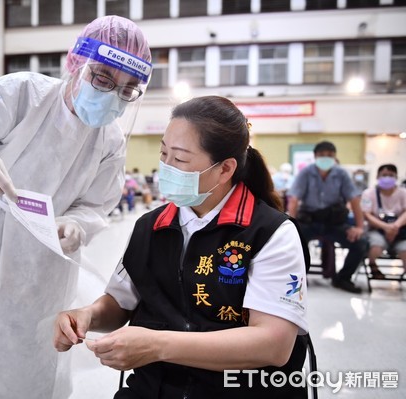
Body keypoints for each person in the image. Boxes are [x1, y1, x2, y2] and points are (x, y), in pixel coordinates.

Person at [0, 16, 152, 399]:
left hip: (43, 271)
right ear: (76, 63)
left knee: (33, 365)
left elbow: (97, 204)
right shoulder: (20, 93)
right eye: (103, 79)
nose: (112, 96)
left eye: (127, 89)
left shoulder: (111, 139)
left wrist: (77, 224)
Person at [54, 96, 309, 398]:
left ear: (225, 169)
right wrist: (87, 315)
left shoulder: (270, 233)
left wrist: (157, 345)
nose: (166, 167)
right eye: (163, 153)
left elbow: (274, 345)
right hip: (157, 388)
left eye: (180, 159)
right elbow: (121, 301)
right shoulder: (152, 226)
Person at [287, 141, 367, 293]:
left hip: (333, 222)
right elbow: (294, 199)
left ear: (335, 157)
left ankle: (343, 278)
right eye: (322, 155)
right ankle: (298, 277)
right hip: (309, 220)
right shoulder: (306, 173)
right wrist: (293, 225)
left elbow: (354, 200)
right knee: (292, 243)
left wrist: (359, 227)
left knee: (361, 243)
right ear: (315, 156)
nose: (325, 158)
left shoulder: (341, 174)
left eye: (329, 155)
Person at [360, 164, 406, 278]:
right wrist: (386, 227)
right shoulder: (368, 193)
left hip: (400, 230)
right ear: (377, 176)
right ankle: (373, 267)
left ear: (396, 177)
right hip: (376, 229)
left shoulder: (403, 193)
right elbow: (366, 214)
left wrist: (395, 226)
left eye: (391, 175)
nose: (387, 178)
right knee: (376, 245)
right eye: (384, 175)